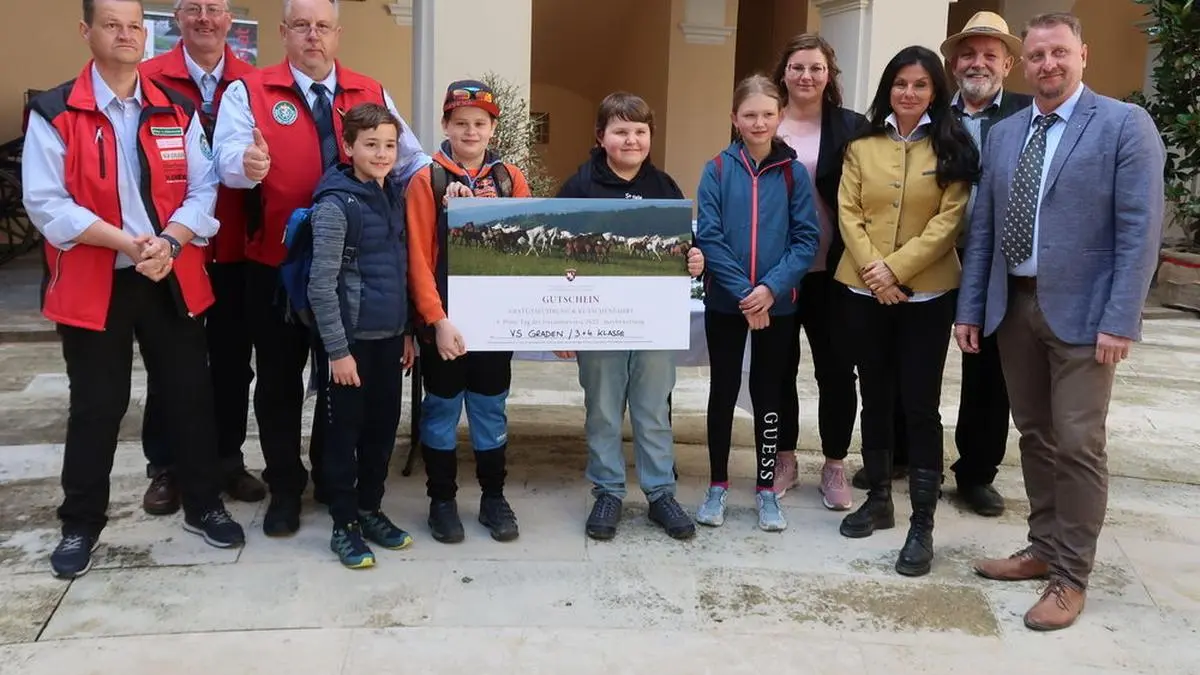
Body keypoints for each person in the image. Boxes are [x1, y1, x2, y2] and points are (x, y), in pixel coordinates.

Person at [22, 0, 245, 579]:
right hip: (97, 282)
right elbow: (47, 205)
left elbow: (204, 189)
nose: (125, 35)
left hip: (167, 274)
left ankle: (203, 504)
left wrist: (169, 242)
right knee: (98, 405)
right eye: (111, 24)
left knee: (189, 396)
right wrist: (127, 244)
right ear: (86, 31)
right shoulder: (55, 111)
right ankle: (80, 523)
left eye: (133, 26)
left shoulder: (173, 108)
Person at [957, 13, 1164, 631]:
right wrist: (972, 308)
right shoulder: (1005, 133)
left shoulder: (1125, 124)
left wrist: (1121, 317)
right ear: (1024, 64)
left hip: (1085, 314)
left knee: (1078, 443)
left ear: (1083, 55)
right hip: (1014, 306)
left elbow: (1140, 228)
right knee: (1036, 435)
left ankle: (1071, 575)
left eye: (1059, 53)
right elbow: (986, 230)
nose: (1048, 64)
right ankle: (1042, 546)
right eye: (1038, 55)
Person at [212, 0, 428, 536]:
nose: (313, 36)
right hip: (278, 268)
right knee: (280, 380)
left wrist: (457, 181)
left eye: (323, 27)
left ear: (338, 34)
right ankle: (285, 486)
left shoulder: (370, 92)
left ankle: (339, 487)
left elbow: (412, 159)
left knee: (345, 382)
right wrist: (247, 164)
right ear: (283, 33)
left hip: (356, 275)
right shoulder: (249, 91)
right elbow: (226, 160)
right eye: (302, 26)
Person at [834, 46, 978, 578]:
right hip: (863, 292)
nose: (909, 93)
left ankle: (922, 521)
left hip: (926, 297)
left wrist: (897, 271)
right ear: (887, 89)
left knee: (919, 405)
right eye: (900, 83)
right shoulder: (862, 145)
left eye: (920, 85)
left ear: (935, 91)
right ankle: (878, 500)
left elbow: (948, 222)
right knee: (873, 393)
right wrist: (876, 272)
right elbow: (849, 212)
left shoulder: (952, 145)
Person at [553, 92, 703, 541]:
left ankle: (660, 492)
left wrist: (695, 259)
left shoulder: (665, 188)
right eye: (620, 131)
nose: (631, 139)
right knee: (602, 407)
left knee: (653, 408)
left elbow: (682, 250)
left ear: (650, 137)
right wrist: (564, 323)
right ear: (601, 137)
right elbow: (557, 261)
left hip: (654, 320)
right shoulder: (579, 188)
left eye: (640, 131)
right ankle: (608, 491)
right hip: (598, 321)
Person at [137, 0, 265, 515]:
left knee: (234, 364)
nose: (205, 18)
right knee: (169, 363)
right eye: (194, 8)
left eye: (215, 8)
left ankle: (226, 460)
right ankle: (166, 466)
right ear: (176, 18)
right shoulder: (148, 78)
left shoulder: (254, 84)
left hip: (236, 247)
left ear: (231, 19)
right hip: (172, 247)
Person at [406, 80, 531, 544]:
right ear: (445, 125)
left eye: (480, 123)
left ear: (493, 127)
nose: (471, 131)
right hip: (445, 321)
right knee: (440, 410)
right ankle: (441, 500)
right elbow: (418, 256)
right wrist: (436, 321)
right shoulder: (427, 178)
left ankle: (493, 498)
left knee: (490, 409)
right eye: (461, 123)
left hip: (495, 322)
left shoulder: (510, 180)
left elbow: (526, 248)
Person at [695, 74, 820, 533]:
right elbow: (708, 235)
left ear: (780, 116)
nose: (759, 122)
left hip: (778, 304)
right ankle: (717, 484)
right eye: (750, 114)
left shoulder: (793, 174)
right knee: (723, 391)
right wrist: (746, 294)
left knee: (770, 393)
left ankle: (766, 488)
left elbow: (805, 239)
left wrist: (769, 289)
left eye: (768, 113)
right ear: (734, 118)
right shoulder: (717, 169)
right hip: (728, 303)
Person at [307, 103, 416, 569]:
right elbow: (320, 283)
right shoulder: (336, 204)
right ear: (348, 147)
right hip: (350, 344)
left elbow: (402, 268)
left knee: (381, 430)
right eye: (370, 144)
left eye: (389, 145)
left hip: (390, 338)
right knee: (343, 436)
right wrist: (337, 351)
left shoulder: (392, 193)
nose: (382, 153)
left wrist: (408, 331)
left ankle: (371, 509)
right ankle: (344, 524)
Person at [939, 11, 1033, 517]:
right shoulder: (932, 113)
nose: (978, 63)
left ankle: (976, 473)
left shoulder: (1026, 114)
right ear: (954, 63)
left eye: (989, 55)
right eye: (969, 54)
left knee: (988, 371)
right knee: (914, 361)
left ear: (1009, 63)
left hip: (996, 264)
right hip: (931, 259)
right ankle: (907, 455)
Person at [769, 34, 867, 510]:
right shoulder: (764, 122)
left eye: (816, 67)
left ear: (829, 75)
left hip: (836, 271)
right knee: (779, 369)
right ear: (782, 73)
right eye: (797, 67)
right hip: (779, 272)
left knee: (836, 371)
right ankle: (783, 457)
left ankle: (833, 464)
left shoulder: (853, 127)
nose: (806, 76)